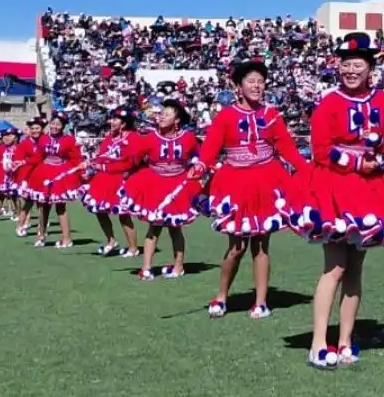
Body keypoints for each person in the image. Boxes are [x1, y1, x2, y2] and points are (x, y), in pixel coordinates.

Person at [283, 33, 384, 368]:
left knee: (355, 270)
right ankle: (319, 342)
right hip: (334, 187)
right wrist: (359, 162)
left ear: (370, 68)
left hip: (371, 189)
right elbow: (321, 149)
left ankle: (345, 340)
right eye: (345, 63)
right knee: (334, 266)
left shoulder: (383, 101)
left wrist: (382, 157)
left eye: (357, 64)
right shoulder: (329, 102)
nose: (350, 69)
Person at [197, 59, 310, 320]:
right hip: (235, 181)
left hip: (267, 180)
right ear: (238, 86)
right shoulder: (225, 115)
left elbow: (287, 148)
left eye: (260, 81)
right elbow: (210, 148)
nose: (256, 86)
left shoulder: (271, 115)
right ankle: (222, 296)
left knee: (261, 245)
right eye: (251, 81)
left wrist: (306, 170)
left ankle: (260, 302)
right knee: (236, 246)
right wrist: (200, 166)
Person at [119, 99, 203, 280]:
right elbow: (134, 158)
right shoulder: (150, 137)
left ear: (177, 120)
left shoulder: (188, 138)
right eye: (161, 113)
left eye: (167, 114)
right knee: (154, 226)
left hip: (178, 185)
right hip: (155, 183)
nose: (162, 116)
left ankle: (178, 266)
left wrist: (194, 168)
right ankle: (147, 267)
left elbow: (198, 156)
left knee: (175, 228)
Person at [80, 109, 143, 257]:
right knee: (98, 210)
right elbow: (102, 156)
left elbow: (130, 163)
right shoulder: (110, 138)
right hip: (103, 179)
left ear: (124, 123)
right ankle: (111, 241)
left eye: (115, 120)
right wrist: (90, 164)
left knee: (123, 214)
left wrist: (103, 166)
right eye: (112, 119)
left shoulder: (134, 138)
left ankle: (133, 248)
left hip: (122, 179)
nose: (111, 122)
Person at [26, 112, 84, 248]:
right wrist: (24, 163)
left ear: (63, 126)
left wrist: (80, 172)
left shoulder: (69, 140)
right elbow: (38, 156)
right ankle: (41, 235)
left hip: (60, 174)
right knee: (43, 206)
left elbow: (75, 158)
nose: (55, 127)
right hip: (44, 172)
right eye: (53, 123)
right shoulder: (43, 138)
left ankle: (66, 238)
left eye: (58, 124)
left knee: (60, 206)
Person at [7, 120, 47, 236]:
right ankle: (20, 225)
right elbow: (18, 159)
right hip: (29, 175)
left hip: (44, 174)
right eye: (32, 128)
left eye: (37, 128)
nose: (35, 131)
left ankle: (41, 229)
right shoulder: (24, 143)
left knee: (42, 204)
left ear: (42, 129)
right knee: (28, 202)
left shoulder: (46, 141)